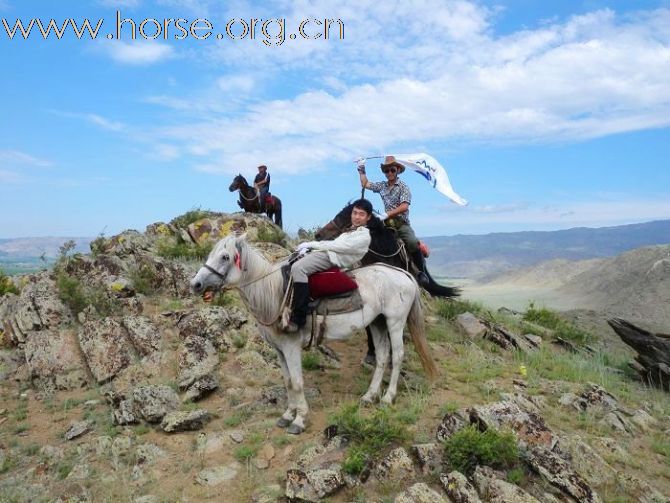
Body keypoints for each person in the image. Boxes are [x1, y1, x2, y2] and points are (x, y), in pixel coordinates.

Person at [284, 199, 373, 333]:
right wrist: (310, 249)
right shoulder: (351, 230)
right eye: (354, 213)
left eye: (361, 214)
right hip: (327, 253)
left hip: (333, 258)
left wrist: (312, 244)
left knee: (298, 269)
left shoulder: (364, 236)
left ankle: (299, 318)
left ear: (368, 217)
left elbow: (337, 246)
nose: (356, 217)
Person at [357, 155, 429, 286]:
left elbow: (404, 206)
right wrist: (361, 169)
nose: (389, 173)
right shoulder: (382, 186)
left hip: (401, 224)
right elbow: (365, 183)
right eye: (387, 170)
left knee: (412, 242)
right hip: (385, 224)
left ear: (397, 171)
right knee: (364, 233)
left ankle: (421, 272)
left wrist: (387, 214)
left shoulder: (403, 187)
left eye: (392, 170)